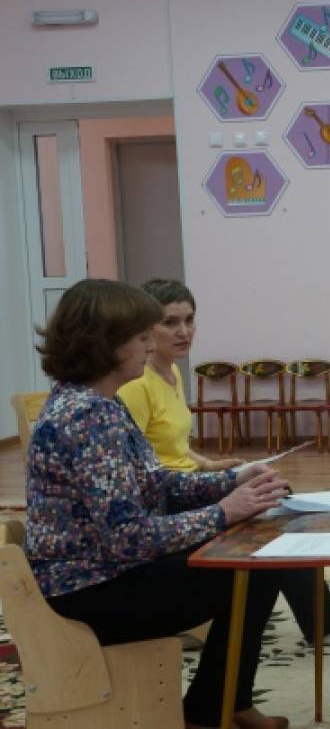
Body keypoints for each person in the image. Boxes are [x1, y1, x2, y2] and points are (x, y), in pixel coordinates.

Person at [25, 279, 289, 729]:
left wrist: (232, 480)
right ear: (105, 343)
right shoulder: (88, 417)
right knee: (252, 569)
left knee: (253, 559)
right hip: (88, 592)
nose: (151, 346)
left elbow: (156, 484)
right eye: (141, 336)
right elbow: (130, 538)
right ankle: (213, 709)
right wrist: (225, 511)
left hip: (101, 575)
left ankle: (219, 704)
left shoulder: (96, 403)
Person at [118, 279, 330, 647]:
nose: (184, 332)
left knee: (276, 494)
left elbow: (169, 441)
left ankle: (316, 617)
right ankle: (323, 623)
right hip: (168, 497)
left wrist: (207, 463)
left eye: (189, 320)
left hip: (191, 479)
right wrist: (211, 482)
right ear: (146, 328)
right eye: (170, 322)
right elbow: (137, 462)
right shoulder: (136, 384)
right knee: (273, 513)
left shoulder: (172, 372)